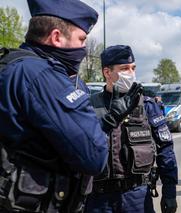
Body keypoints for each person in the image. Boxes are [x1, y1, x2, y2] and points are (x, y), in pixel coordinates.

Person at [0, 0, 141, 212]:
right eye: (81, 39)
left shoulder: (13, 65)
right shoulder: (41, 75)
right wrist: (108, 121)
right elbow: (93, 157)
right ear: (56, 37)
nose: (84, 48)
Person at [85, 45, 178, 213]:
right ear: (107, 72)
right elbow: (78, 146)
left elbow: (165, 149)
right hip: (98, 198)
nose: (131, 73)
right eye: (124, 68)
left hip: (136, 195)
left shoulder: (147, 105)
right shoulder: (89, 106)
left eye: (133, 68)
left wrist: (169, 192)